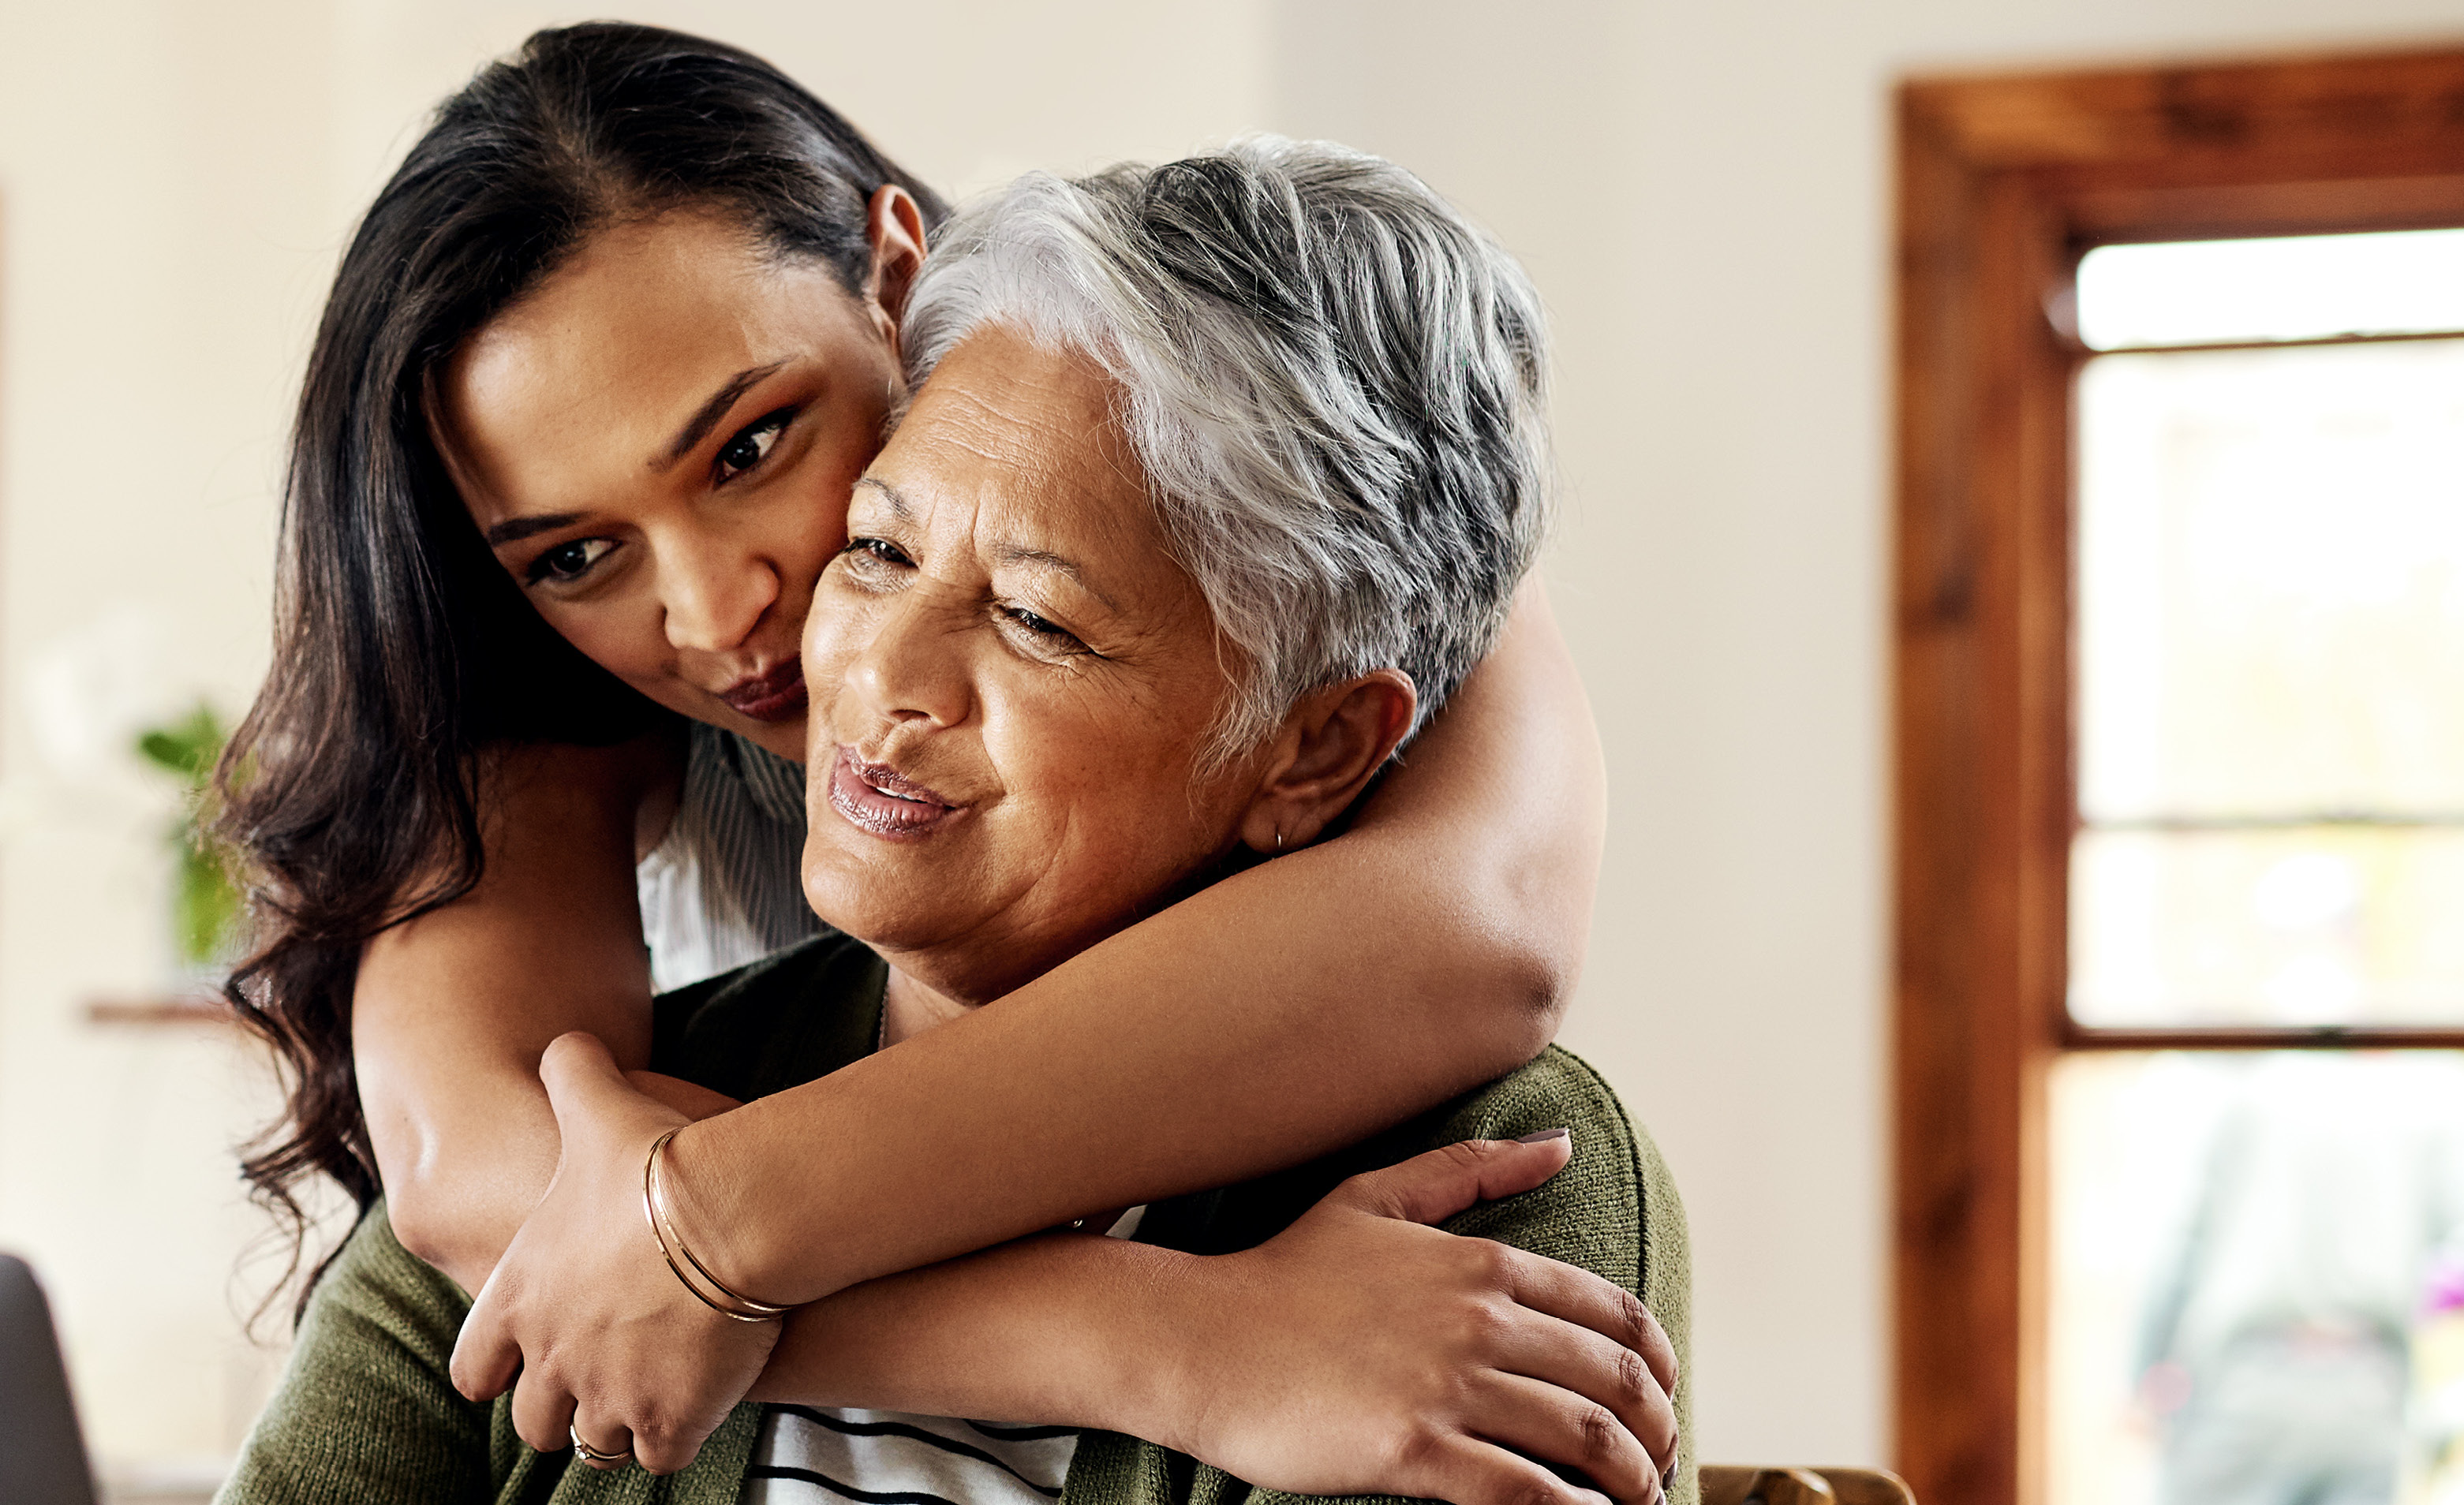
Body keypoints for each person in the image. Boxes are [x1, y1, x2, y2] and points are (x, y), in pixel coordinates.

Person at [214, 22, 1662, 1498]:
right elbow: (504, 1198)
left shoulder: (1253, 424)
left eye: (750, 450)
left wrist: (707, 1222)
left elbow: (1468, 932)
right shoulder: (534, 715)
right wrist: (1167, 1346)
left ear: (893, 280)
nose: (719, 617)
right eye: (577, 553)